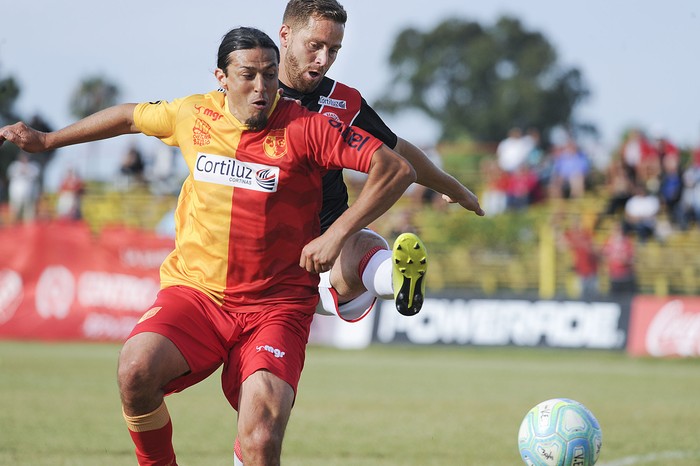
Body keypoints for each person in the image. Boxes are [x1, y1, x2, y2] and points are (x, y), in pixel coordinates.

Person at [0, 26, 415, 466]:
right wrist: (48, 141)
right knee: (134, 370)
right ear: (221, 77)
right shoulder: (191, 115)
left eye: (271, 75)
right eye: (248, 76)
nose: (262, 88)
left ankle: (375, 279)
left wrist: (336, 233)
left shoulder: (309, 127)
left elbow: (395, 168)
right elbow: (128, 116)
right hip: (197, 296)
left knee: (259, 440)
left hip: (276, 307)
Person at [277, 0, 484, 324]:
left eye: (333, 50)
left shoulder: (344, 101)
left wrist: (455, 189)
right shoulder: (251, 95)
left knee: (363, 242)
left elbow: (397, 151)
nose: (323, 59)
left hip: (326, 251)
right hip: (263, 255)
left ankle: (395, 279)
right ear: (285, 35)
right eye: (315, 46)